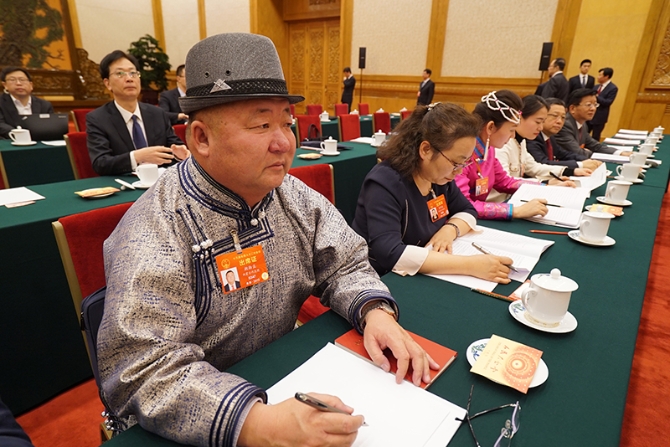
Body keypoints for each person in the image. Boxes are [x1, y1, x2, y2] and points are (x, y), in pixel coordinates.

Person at [97, 33, 436, 447]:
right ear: (201, 138)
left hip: (283, 372)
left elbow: (345, 261)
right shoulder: (156, 226)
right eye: (261, 125)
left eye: (287, 124)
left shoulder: (291, 195)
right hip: (198, 415)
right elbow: (143, 368)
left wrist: (374, 312)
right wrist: (257, 424)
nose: (284, 143)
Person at [352, 102, 513, 284]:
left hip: (420, 272)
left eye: (465, 162)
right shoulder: (385, 183)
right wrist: (470, 265)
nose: (460, 171)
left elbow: (468, 210)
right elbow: (390, 253)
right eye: (456, 163)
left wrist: (450, 230)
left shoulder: (439, 179)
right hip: (379, 279)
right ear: (426, 150)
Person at [86, 50, 189, 176]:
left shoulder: (157, 114)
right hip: (124, 184)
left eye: (133, 73)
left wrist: (180, 153)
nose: (129, 79)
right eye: (120, 74)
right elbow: (100, 163)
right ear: (107, 83)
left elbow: (173, 147)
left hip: (159, 182)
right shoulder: (98, 119)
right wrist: (137, 157)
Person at [455, 90, 548, 220]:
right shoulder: (461, 154)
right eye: (511, 129)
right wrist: (514, 211)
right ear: (491, 127)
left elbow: (504, 182)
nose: (513, 136)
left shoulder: (489, 150)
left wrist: (544, 187)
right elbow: (463, 205)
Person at [495, 95, 588, 187]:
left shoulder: (521, 141)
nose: (541, 128)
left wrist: (571, 171)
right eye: (538, 122)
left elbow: (534, 167)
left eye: (543, 122)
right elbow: (506, 181)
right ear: (519, 117)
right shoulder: (502, 144)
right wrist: (544, 183)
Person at [526, 98, 603, 172]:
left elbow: (564, 154)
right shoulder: (532, 137)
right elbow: (543, 163)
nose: (559, 121)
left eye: (563, 117)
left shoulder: (550, 137)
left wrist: (588, 160)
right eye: (555, 116)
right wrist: (580, 165)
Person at [554, 88, 629, 158]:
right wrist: (588, 152)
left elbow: (595, 146)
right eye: (588, 105)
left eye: (595, 105)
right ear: (572, 108)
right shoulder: (564, 124)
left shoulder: (582, 124)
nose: (593, 109)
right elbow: (577, 152)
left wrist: (620, 153)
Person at [0, 67, 54, 139]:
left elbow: (50, 126)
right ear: (5, 85)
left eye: (22, 80)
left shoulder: (44, 105)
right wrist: (20, 134)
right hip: (9, 140)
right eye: (12, 80)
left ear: (31, 85)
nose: (18, 83)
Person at [590, 67, 618, 141]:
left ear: (606, 76)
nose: (598, 77)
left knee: (595, 137)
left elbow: (608, 102)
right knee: (583, 135)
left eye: (600, 75)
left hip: (600, 116)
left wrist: (597, 97)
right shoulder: (596, 87)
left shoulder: (613, 88)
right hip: (590, 114)